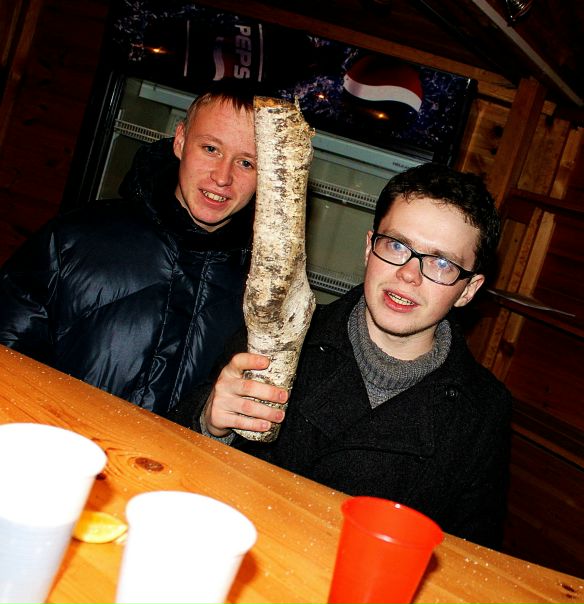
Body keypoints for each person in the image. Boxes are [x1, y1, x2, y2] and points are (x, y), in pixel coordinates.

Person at [172, 162, 512, 549]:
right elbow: (176, 458)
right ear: (369, 248)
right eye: (396, 246)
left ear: (468, 290)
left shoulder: (483, 411)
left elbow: (472, 558)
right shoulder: (279, 332)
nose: (408, 274)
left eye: (441, 263)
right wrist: (208, 422)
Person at [0, 81, 258, 416]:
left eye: (246, 163)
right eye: (211, 148)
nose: (222, 177)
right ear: (180, 141)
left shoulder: (263, 298)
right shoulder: (74, 238)